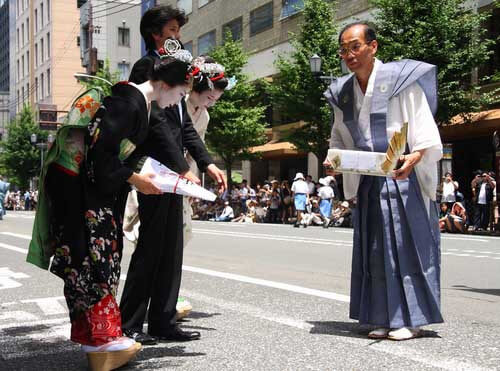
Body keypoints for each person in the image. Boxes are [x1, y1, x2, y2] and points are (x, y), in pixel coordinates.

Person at [28, 53, 193, 370]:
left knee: (94, 263)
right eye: (181, 94)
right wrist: (136, 179)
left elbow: (114, 155)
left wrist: (146, 177)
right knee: (94, 263)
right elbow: (101, 156)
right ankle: (102, 340)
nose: (178, 103)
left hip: (98, 194)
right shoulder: (127, 103)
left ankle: (100, 339)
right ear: (167, 84)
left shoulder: (136, 103)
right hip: (88, 196)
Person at [324, 23, 443, 340]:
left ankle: (411, 319)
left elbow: (422, 124)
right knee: (376, 248)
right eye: (344, 49)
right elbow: (339, 134)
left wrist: (415, 156)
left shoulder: (400, 80)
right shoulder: (343, 91)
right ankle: (382, 316)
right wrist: (335, 159)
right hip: (368, 178)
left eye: (355, 46)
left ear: (372, 47)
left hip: (401, 174)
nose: (348, 54)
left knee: (405, 248)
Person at [119, 6, 226, 346]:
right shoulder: (146, 66)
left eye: (179, 31)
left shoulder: (178, 70)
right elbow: (153, 123)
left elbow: (184, 127)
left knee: (172, 247)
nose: (179, 37)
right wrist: (181, 168)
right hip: (153, 171)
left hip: (174, 171)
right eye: (173, 30)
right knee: (151, 247)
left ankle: (163, 321)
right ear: (156, 34)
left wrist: (206, 163)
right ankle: (130, 323)